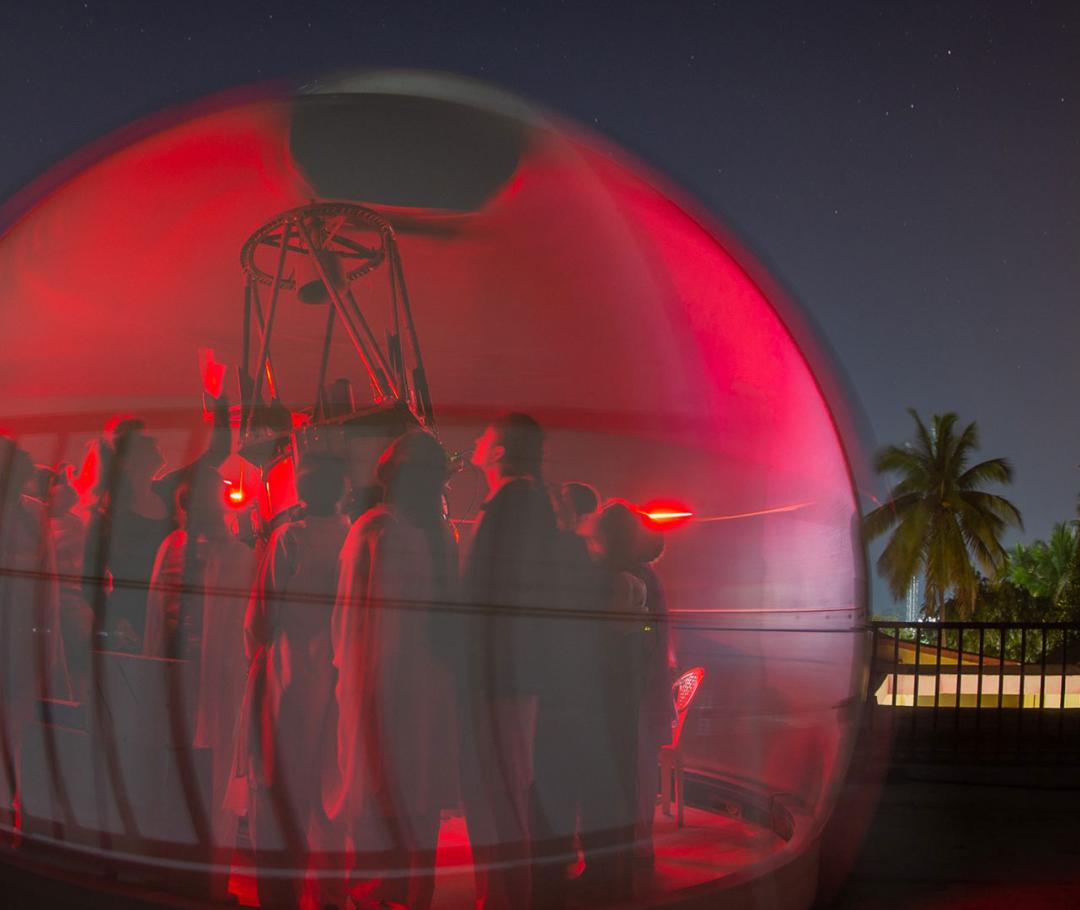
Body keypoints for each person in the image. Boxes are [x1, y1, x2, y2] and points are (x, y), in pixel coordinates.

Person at [329, 431, 459, 910]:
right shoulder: (376, 530)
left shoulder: (432, 533)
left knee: (410, 802)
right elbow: (351, 624)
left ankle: (405, 896)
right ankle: (380, 897)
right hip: (380, 688)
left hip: (417, 688)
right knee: (381, 799)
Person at [461, 412, 579, 910]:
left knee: (499, 793)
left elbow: (497, 601)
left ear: (501, 450)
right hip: (506, 674)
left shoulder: (515, 504)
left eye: (484, 433)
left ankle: (506, 899)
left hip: (502, 676)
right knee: (500, 790)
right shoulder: (524, 502)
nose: (475, 438)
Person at [233, 453, 349, 910]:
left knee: (278, 787)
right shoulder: (351, 536)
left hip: (287, 673)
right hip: (337, 674)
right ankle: (330, 894)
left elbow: (260, 613)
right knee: (328, 793)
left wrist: (257, 656)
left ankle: (279, 894)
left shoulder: (289, 539)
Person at [578, 501, 653, 901]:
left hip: (603, 696)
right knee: (621, 783)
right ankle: (616, 874)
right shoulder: (637, 577)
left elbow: (598, 639)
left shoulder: (605, 579)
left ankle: (601, 874)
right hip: (625, 695)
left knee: (600, 785)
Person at [0, 436, 65, 833]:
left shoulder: (33, 517)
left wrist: (47, 648)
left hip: (18, 647)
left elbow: (49, 588)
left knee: (16, 737)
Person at [45, 466, 93, 701]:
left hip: (66, 602)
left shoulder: (71, 525)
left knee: (72, 666)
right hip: (64, 603)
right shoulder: (71, 524)